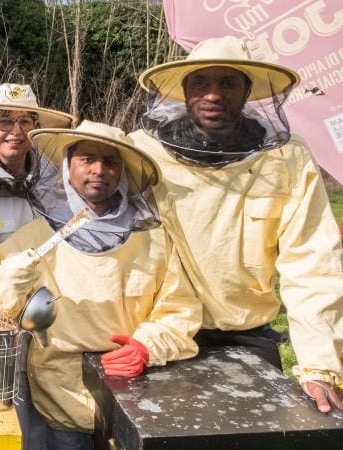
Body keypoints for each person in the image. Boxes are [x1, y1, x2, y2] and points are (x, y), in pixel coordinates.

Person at [131, 35, 343, 413]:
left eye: (227, 83)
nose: (214, 94)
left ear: (247, 92)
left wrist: (319, 366)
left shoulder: (287, 158)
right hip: (159, 333)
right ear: (184, 90)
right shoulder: (142, 152)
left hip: (247, 335)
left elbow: (313, 263)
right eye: (202, 82)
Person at [0, 121, 201, 450]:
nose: (99, 169)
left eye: (110, 161)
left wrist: (145, 346)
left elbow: (179, 310)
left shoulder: (154, 239)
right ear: (67, 168)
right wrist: (8, 278)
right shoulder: (35, 236)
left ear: (122, 172)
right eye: (86, 159)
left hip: (134, 397)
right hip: (61, 398)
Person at [0, 83, 74, 247]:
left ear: (35, 129)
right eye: (5, 121)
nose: (16, 131)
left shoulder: (52, 179)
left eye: (24, 121)